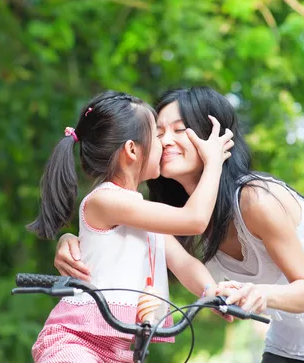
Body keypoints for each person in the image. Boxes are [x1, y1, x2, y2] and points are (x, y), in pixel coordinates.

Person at [54, 87, 304, 363]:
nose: (165, 141)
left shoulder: (256, 200)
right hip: (293, 340)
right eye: (158, 132)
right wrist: (72, 238)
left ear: (215, 138)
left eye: (180, 130)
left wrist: (235, 294)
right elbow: (155, 236)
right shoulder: (174, 212)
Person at [29, 90, 234, 363]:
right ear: (132, 150)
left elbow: (184, 263)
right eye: (157, 136)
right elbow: (194, 220)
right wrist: (213, 163)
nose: (164, 144)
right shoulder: (106, 199)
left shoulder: (142, 214)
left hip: (120, 352)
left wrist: (213, 292)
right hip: (75, 342)